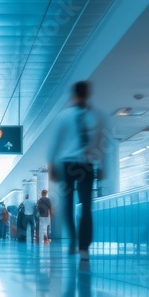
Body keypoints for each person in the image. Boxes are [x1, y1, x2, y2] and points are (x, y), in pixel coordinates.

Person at [47, 80, 104, 261]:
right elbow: (103, 144)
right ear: (86, 93)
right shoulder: (90, 116)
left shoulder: (93, 116)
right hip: (76, 165)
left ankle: (80, 243)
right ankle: (79, 244)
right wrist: (102, 166)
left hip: (76, 165)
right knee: (81, 205)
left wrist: (51, 167)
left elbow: (54, 145)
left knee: (76, 205)